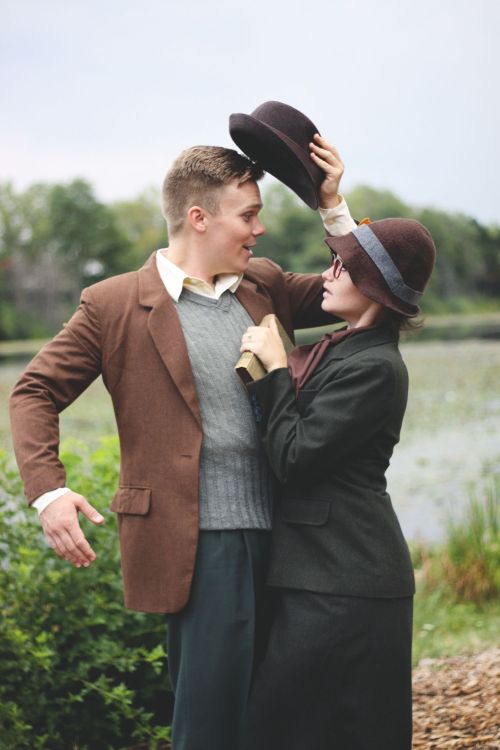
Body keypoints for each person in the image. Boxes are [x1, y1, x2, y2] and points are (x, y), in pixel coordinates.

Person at [9, 137, 354, 749]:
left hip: (291, 535)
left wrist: (331, 206)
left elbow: (355, 290)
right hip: (200, 547)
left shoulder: (264, 284)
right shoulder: (111, 304)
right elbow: (33, 392)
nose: (260, 229)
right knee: (211, 722)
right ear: (199, 218)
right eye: (248, 215)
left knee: (283, 716)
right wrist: (49, 492)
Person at [239, 215, 436, 749]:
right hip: (321, 572)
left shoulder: (376, 368)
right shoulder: (344, 348)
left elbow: (294, 458)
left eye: (341, 266)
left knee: (319, 730)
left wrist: (277, 371)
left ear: (372, 285)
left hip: (347, 579)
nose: (327, 274)